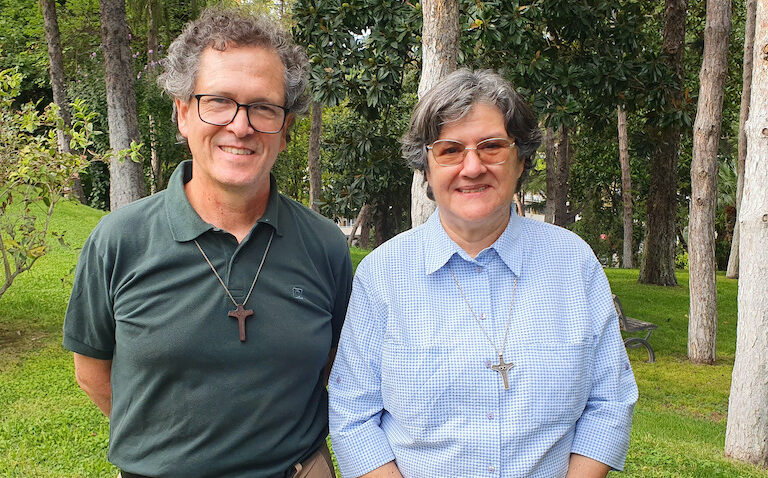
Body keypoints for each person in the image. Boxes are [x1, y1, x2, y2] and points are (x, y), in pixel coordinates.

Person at [63, 8, 352, 478]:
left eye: (264, 107)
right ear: (182, 113)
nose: (241, 126)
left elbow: (336, 370)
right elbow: (91, 369)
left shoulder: (325, 245)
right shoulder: (119, 240)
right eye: (218, 101)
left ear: (285, 129)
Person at [329, 69, 638, 478]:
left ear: (521, 158)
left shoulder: (573, 264)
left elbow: (610, 402)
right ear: (427, 167)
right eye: (450, 150)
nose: (472, 167)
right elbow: (353, 415)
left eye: (491, 146)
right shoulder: (383, 275)